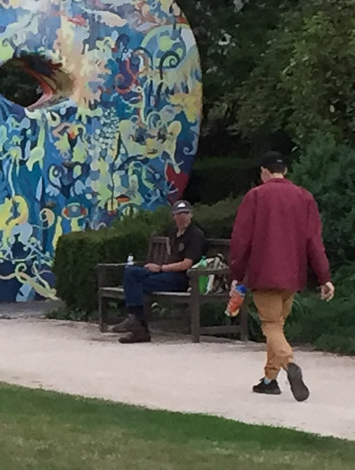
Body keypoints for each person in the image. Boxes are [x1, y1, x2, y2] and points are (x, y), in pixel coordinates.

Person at [229, 151, 335, 402]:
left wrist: (236, 273)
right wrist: (324, 277)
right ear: (285, 171)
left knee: (271, 326)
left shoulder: (255, 196)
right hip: (293, 275)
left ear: (264, 172)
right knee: (278, 326)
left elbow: (241, 240)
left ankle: (289, 364)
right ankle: (269, 380)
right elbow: (313, 241)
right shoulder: (304, 197)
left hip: (264, 273)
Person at [113, 200, 206, 343]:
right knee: (131, 273)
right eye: (178, 214)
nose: (182, 217)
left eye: (185, 213)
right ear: (173, 216)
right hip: (166, 273)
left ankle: (138, 324)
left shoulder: (195, 235)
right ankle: (136, 321)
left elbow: (187, 264)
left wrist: (161, 268)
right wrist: (157, 267)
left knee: (138, 284)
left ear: (191, 215)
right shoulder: (173, 233)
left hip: (183, 278)